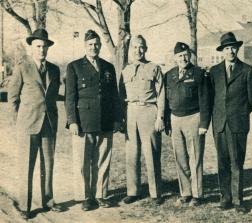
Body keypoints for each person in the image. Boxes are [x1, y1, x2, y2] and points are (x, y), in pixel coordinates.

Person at [8, 29, 63, 219]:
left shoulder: (55, 70)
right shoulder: (22, 67)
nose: (42, 50)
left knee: (48, 165)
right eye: (38, 46)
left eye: (44, 46)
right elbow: (12, 98)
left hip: (48, 124)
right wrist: (19, 121)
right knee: (26, 167)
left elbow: (54, 96)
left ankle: (48, 200)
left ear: (48, 48)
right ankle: (25, 206)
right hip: (28, 125)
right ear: (31, 47)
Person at [65, 29, 121, 211]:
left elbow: (114, 96)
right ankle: (85, 197)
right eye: (90, 44)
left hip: (105, 121)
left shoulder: (108, 67)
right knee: (82, 162)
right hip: (83, 122)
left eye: (96, 44)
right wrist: (72, 120)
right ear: (85, 46)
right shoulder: (74, 66)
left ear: (100, 45)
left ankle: (101, 194)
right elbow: (70, 97)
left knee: (103, 160)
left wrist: (117, 119)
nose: (93, 47)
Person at [209, 32, 252, 213]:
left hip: (238, 125)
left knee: (236, 162)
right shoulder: (214, 72)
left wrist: (240, 113)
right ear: (222, 51)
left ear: (237, 49)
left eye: (233, 47)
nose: (230, 51)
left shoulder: (247, 70)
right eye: (227, 48)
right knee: (222, 162)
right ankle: (225, 198)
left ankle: (238, 201)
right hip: (219, 125)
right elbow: (211, 97)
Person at [164, 42, 211, 207]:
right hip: (175, 119)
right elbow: (165, 99)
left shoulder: (198, 73)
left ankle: (197, 194)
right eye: (179, 56)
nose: (183, 58)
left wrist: (204, 123)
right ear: (174, 58)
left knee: (195, 157)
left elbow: (205, 99)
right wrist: (166, 122)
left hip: (194, 118)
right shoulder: (169, 75)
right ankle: (185, 192)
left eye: (185, 55)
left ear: (189, 56)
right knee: (180, 158)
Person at [119, 35, 165, 205]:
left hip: (149, 111)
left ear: (146, 49)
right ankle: (133, 191)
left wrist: (160, 116)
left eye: (141, 47)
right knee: (132, 154)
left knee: (151, 153)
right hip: (131, 112)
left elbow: (161, 95)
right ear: (130, 49)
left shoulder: (154, 68)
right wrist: (122, 118)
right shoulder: (125, 70)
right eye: (134, 47)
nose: (138, 50)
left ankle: (155, 192)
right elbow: (120, 96)